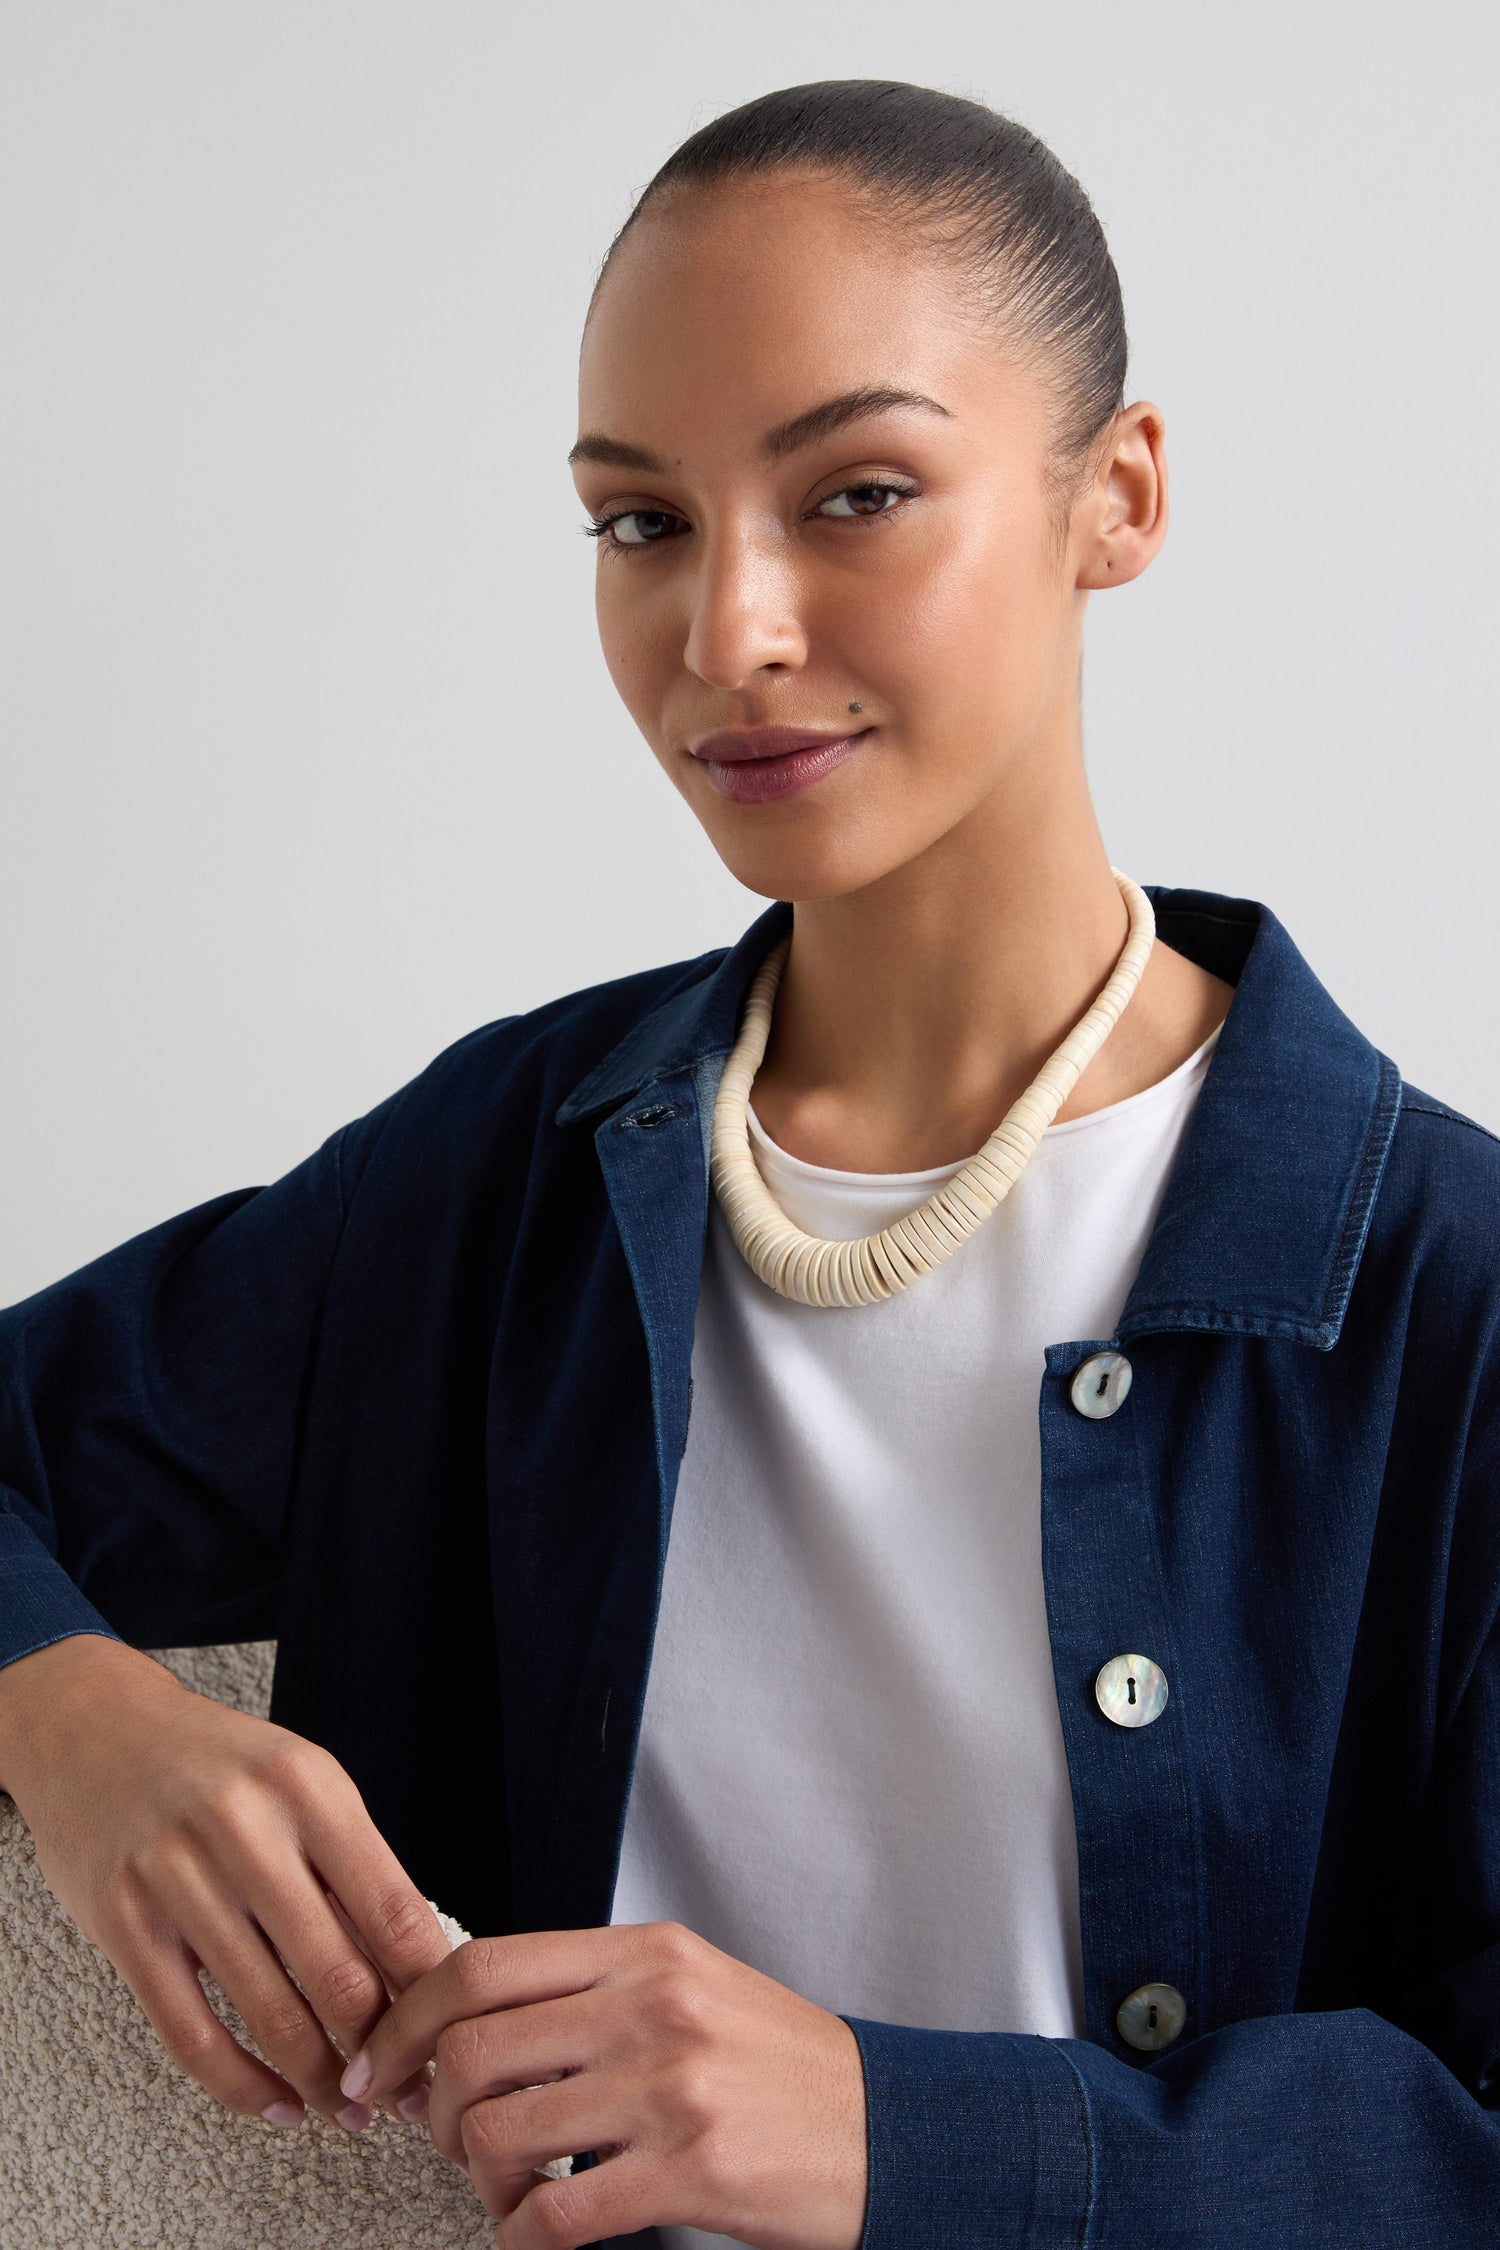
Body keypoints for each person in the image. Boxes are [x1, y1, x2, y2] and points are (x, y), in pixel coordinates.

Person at [1, 76, 1497, 2250]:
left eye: (858, 492)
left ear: (1121, 493)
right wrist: (77, 1722)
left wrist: (901, 2131)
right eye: (643, 523)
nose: (725, 635)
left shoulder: (1435, 1293)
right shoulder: (492, 1190)